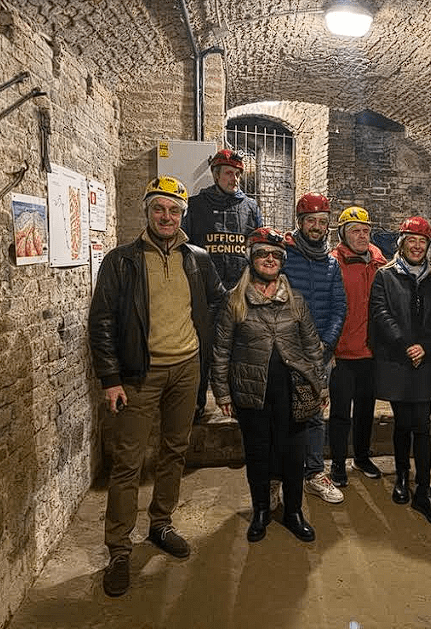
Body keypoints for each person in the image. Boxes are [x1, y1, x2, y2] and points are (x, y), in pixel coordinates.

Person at [88, 176, 226, 596]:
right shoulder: (122, 261)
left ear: (183, 215)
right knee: (128, 461)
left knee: (175, 450)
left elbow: (219, 301)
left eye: (174, 210)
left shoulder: (197, 258)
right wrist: (110, 379)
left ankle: (161, 524)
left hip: (186, 370)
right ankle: (118, 548)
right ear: (147, 212)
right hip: (139, 375)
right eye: (159, 209)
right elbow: (103, 321)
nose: (167, 217)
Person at [212, 227, 327, 543]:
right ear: (252, 257)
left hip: (293, 389)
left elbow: (311, 345)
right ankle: (261, 510)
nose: (269, 260)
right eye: (263, 254)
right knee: (258, 452)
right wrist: (222, 391)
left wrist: (321, 386)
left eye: (276, 255)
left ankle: (293, 512)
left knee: (293, 453)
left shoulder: (296, 300)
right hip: (252, 390)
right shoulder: (235, 300)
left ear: (282, 261)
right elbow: (221, 348)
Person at [370, 216, 431, 527]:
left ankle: (424, 489)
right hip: (398, 359)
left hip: (425, 360)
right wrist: (405, 345)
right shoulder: (384, 276)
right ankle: (402, 476)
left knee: (423, 426)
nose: (417, 246)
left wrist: (425, 346)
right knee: (402, 422)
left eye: (422, 241)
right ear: (402, 243)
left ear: (428, 246)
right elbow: (380, 312)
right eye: (412, 240)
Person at [182, 148, 263, 421]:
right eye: (229, 173)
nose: (235, 178)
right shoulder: (195, 206)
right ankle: (197, 403)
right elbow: (184, 249)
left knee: (240, 349)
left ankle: (240, 403)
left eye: (238, 173)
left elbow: (259, 249)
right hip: (205, 293)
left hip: (240, 291)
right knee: (204, 349)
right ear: (215, 174)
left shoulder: (250, 208)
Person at [283, 193, 347, 504]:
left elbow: (339, 307)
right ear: (300, 223)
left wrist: (327, 344)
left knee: (315, 416)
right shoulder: (283, 255)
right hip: (286, 351)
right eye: (312, 221)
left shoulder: (332, 263)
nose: (317, 227)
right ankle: (280, 476)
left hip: (320, 353)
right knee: (281, 414)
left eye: (323, 222)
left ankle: (313, 472)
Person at [328, 207, 387, 487]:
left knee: (366, 409)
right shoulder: (333, 263)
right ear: (343, 234)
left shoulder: (379, 262)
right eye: (355, 231)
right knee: (340, 413)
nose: (362, 236)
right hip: (342, 353)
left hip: (370, 352)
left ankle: (361, 457)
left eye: (365, 230)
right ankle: (338, 463)